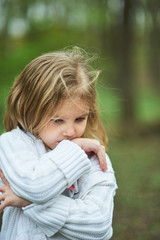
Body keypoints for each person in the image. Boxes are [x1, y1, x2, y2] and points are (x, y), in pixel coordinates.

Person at [0, 47, 117, 240]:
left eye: (80, 118)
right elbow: (36, 186)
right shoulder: (12, 144)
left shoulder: (95, 158)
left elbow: (99, 224)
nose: (71, 132)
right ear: (28, 110)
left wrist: (27, 203)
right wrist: (73, 150)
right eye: (57, 120)